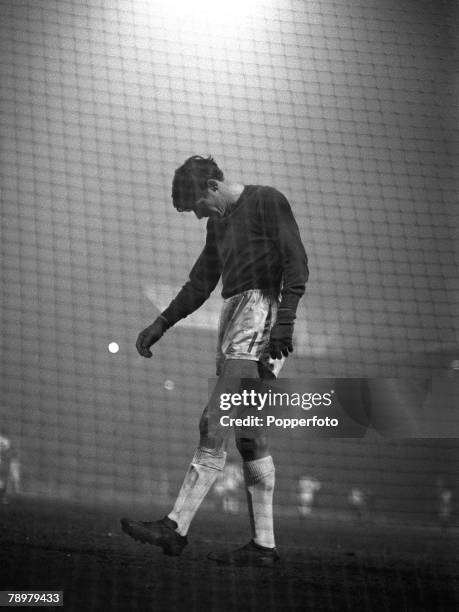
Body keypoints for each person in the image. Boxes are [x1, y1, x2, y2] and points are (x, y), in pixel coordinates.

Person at [121, 155, 308, 566]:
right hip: (235, 317)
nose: (197, 215)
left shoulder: (266, 201)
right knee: (250, 437)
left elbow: (296, 261)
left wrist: (286, 321)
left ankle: (175, 527)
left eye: (196, 206)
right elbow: (200, 282)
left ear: (211, 186)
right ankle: (264, 546)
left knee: (214, 421)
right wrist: (161, 323)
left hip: (262, 316)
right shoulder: (217, 224)